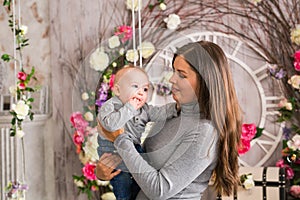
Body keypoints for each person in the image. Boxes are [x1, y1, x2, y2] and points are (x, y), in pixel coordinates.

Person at [96, 41, 242, 199]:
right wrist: (106, 170)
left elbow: (159, 191)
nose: (172, 79)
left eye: (182, 74)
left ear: (205, 80)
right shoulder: (173, 114)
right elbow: (142, 165)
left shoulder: (204, 131)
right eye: (174, 71)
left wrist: (119, 139)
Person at [96, 65, 179, 200]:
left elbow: (159, 113)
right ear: (117, 90)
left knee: (143, 182)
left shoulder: (144, 109)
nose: (141, 92)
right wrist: (129, 108)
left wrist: (177, 107)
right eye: (135, 86)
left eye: (145, 89)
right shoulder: (111, 106)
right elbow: (109, 125)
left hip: (135, 149)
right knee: (123, 184)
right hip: (114, 154)